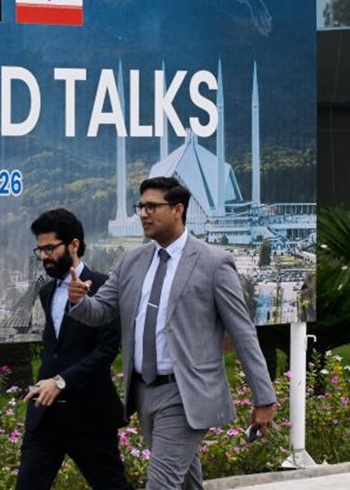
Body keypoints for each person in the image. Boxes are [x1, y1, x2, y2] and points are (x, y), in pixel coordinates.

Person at [67, 177, 277, 490]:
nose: (143, 213)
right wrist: (80, 300)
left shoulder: (214, 263)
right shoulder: (133, 260)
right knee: (186, 484)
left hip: (186, 392)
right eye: (140, 206)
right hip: (144, 391)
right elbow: (100, 312)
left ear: (178, 209)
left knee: (161, 484)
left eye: (152, 206)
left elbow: (243, 334)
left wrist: (264, 399)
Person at [16, 208, 133, 490]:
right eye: (39, 249)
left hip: (89, 416)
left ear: (74, 245)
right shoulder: (46, 292)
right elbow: (55, 349)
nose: (43, 256)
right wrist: (43, 383)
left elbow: (106, 350)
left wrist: (61, 381)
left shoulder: (105, 286)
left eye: (49, 248)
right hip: (45, 417)